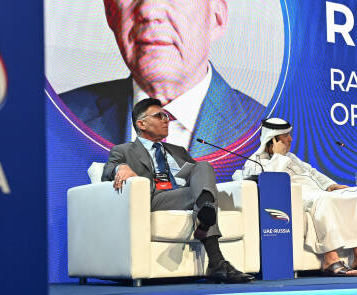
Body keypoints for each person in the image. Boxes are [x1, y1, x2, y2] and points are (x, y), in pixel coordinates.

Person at [60, 0, 263, 156]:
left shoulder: (269, 133)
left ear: (217, 18)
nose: (148, 10)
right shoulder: (58, 119)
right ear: (109, 9)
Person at [101, 97, 253, 282]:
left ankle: (206, 215)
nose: (166, 120)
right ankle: (214, 253)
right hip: (155, 197)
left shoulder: (178, 150)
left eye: (166, 116)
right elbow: (108, 170)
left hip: (186, 194)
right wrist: (120, 167)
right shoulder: (123, 150)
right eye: (159, 116)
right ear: (141, 124)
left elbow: (200, 178)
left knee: (203, 167)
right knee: (204, 199)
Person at [241, 118, 357, 276]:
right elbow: (270, 182)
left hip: (317, 191)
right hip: (297, 195)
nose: (290, 139)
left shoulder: (292, 157)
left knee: (354, 197)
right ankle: (330, 259)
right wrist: (278, 156)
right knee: (326, 200)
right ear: (273, 139)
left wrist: (331, 185)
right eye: (286, 136)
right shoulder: (255, 161)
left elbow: (312, 172)